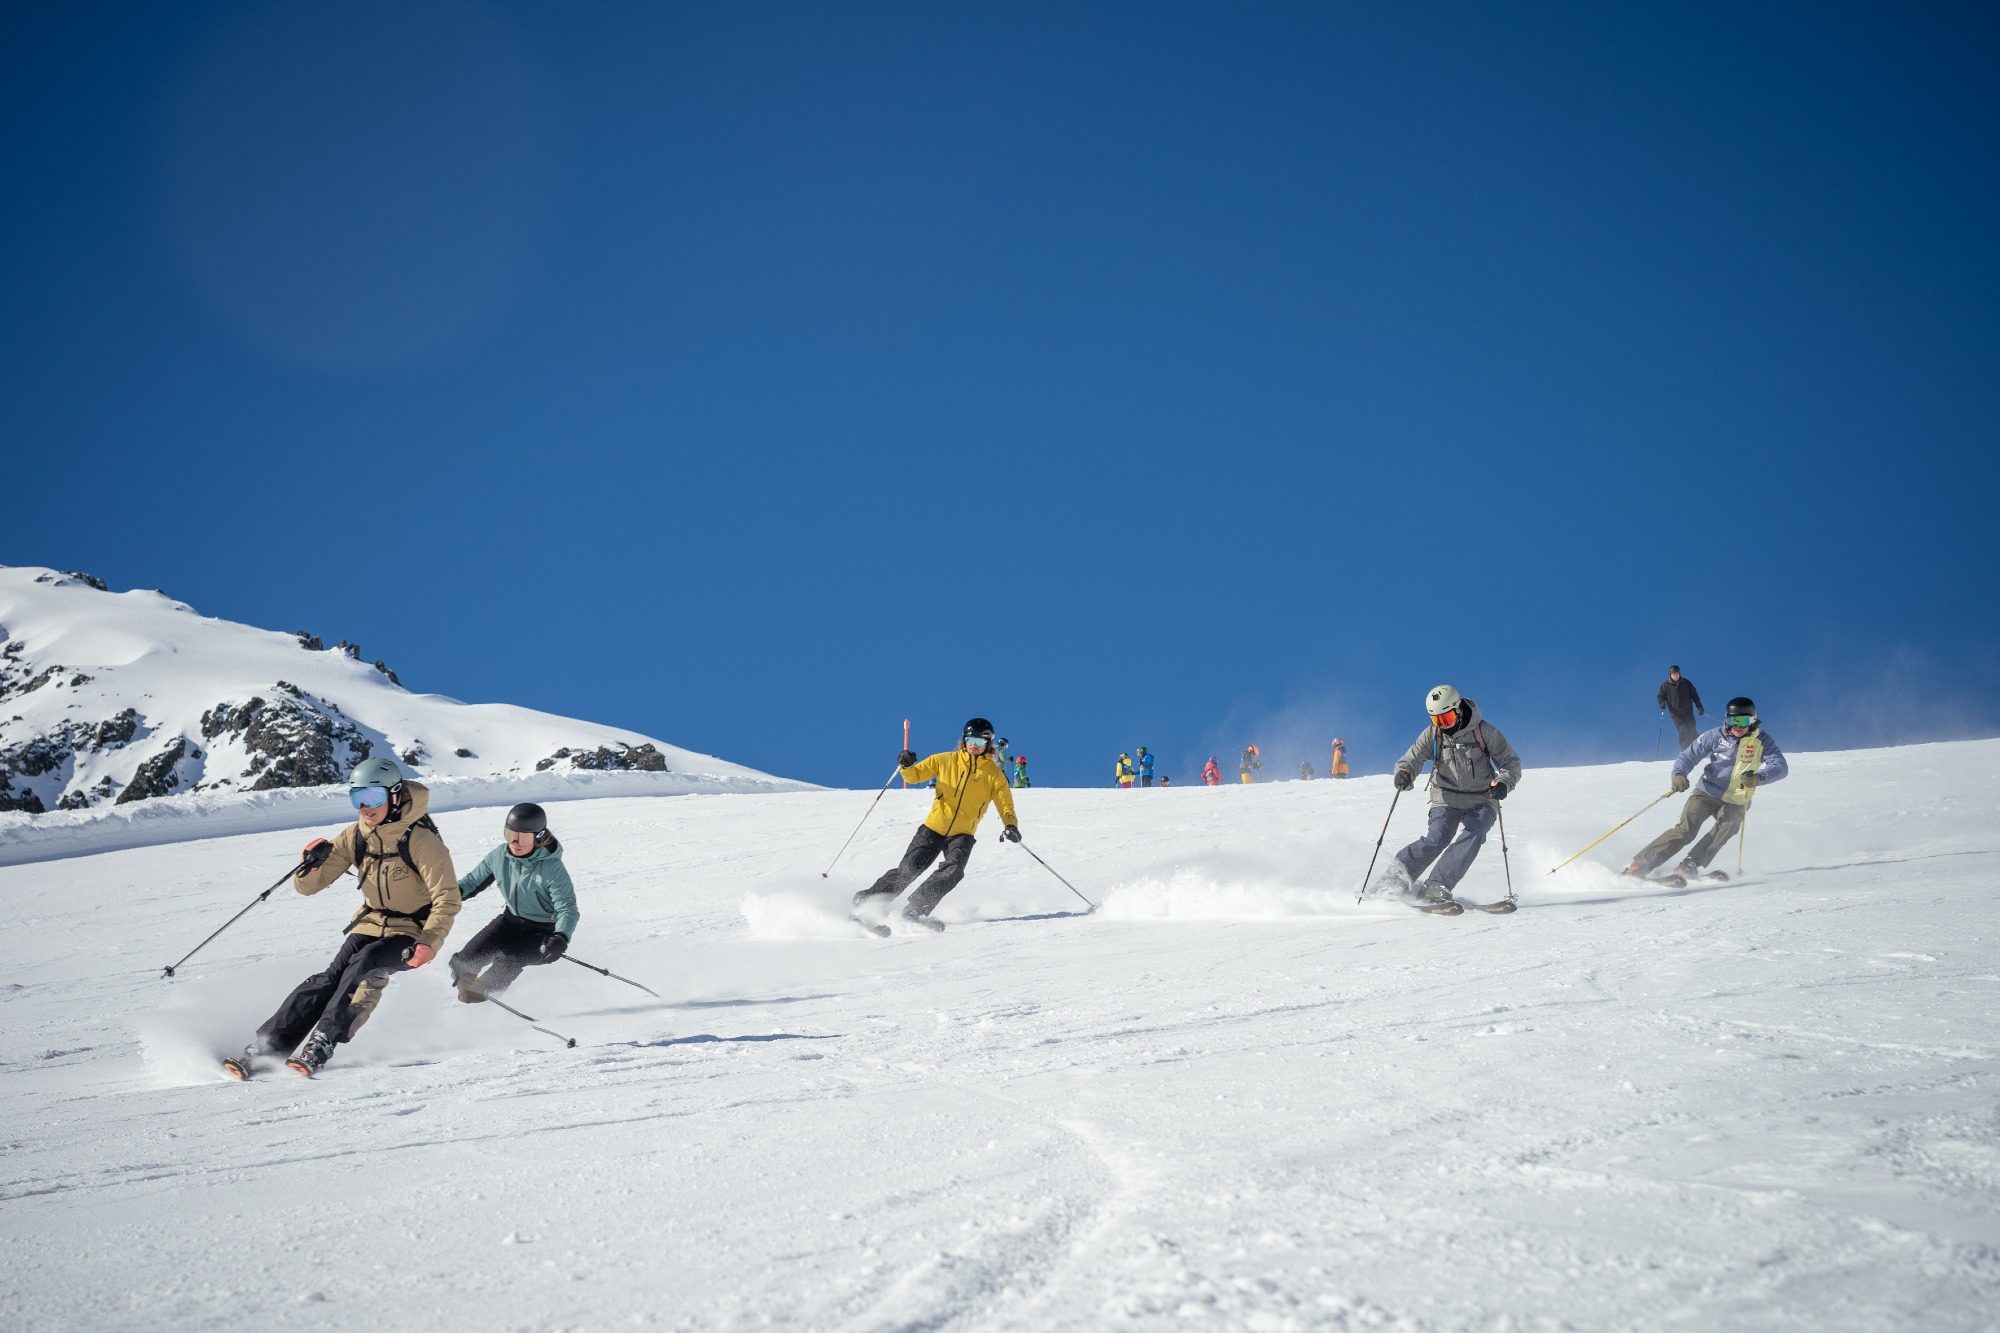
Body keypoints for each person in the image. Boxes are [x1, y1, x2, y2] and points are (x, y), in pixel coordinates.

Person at [228, 757, 460, 1077]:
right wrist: (308, 866)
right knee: (328, 978)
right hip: (371, 922)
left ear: (394, 796)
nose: (365, 806)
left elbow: (448, 898)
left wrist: (429, 943)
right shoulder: (356, 834)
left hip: (411, 930)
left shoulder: (422, 840)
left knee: (365, 964)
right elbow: (309, 887)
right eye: (357, 797)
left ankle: (323, 1041)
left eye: (374, 797)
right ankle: (268, 1046)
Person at [853, 717, 1021, 927]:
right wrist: (907, 764)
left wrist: (1010, 825)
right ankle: (867, 904)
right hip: (933, 828)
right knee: (909, 870)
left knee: (953, 871)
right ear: (964, 740)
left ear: (988, 744)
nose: (973, 746)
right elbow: (914, 776)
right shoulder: (945, 760)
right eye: (970, 741)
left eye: (979, 743)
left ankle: (914, 910)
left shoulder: (994, 775)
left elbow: (1006, 805)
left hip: (963, 834)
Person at [1372, 684, 1522, 910]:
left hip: (1482, 797)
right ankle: (1393, 882)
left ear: (1458, 710)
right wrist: (1404, 774)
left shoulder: (1485, 732)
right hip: (1446, 796)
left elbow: (1511, 762)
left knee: (1476, 830)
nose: (1443, 725)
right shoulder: (1433, 735)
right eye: (1437, 720)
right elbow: (1410, 759)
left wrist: (1503, 783)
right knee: (1437, 838)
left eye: (1447, 718)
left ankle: (1437, 886)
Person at [1624, 697, 1787, 880]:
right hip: (1706, 793)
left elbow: (1780, 766)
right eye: (1732, 720)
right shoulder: (1716, 735)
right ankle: (1639, 865)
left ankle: (1690, 864)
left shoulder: (1762, 741)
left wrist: (1758, 778)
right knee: (1686, 830)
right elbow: (1689, 755)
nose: (1737, 726)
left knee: (1729, 825)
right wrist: (1679, 774)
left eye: (1742, 721)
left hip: (1737, 799)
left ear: (1752, 720)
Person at [447, 802, 579, 1002]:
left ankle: (487, 993)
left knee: (507, 959)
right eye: (510, 835)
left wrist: (560, 937)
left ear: (539, 837)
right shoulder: (500, 856)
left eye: (523, 838)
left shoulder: (552, 868)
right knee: (463, 962)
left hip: (543, 932)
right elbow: (472, 882)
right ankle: (472, 990)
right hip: (510, 922)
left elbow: (567, 908)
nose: (515, 843)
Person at [1657, 664, 1705, 750]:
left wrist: (1699, 707)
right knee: (1683, 731)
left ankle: (1699, 748)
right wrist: (1662, 703)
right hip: (1676, 715)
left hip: (1688, 713)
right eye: (1673, 674)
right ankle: (1684, 751)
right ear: (1670, 675)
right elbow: (1660, 695)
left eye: (1677, 673)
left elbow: (1694, 696)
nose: (1676, 675)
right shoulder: (1665, 685)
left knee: (1692, 730)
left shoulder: (1686, 683)